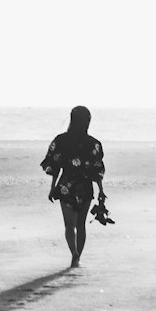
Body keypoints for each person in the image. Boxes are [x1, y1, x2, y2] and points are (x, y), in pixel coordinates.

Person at [41, 105, 105, 269]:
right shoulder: (94, 144)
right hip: (85, 186)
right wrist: (101, 190)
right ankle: (77, 257)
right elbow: (97, 169)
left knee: (69, 225)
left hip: (66, 186)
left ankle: (74, 253)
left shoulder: (61, 140)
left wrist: (52, 187)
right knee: (80, 225)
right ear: (87, 121)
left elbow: (54, 165)